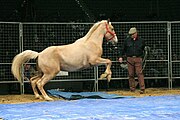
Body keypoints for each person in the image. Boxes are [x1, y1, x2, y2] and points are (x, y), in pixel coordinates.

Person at [118, 27, 146, 94]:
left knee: (139, 73)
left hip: (138, 58)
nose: (132, 35)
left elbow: (144, 49)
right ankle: (132, 88)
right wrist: (120, 56)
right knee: (131, 74)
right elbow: (123, 49)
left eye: (133, 34)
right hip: (129, 59)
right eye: (131, 34)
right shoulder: (127, 41)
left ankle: (142, 88)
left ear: (136, 33)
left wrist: (141, 57)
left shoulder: (141, 40)